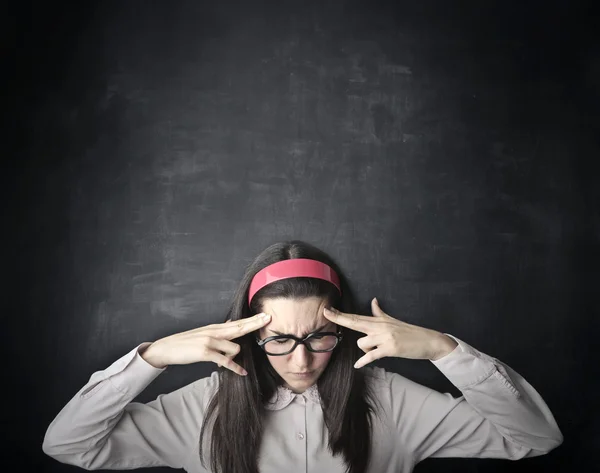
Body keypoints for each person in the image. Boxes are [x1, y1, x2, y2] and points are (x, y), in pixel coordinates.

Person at [42, 240, 563, 473]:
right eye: (278, 340)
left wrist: (444, 350)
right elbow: (68, 445)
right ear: (250, 336)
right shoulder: (201, 409)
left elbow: (537, 439)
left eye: (319, 335)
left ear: (344, 325)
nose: (301, 360)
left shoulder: (393, 401)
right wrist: (150, 358)